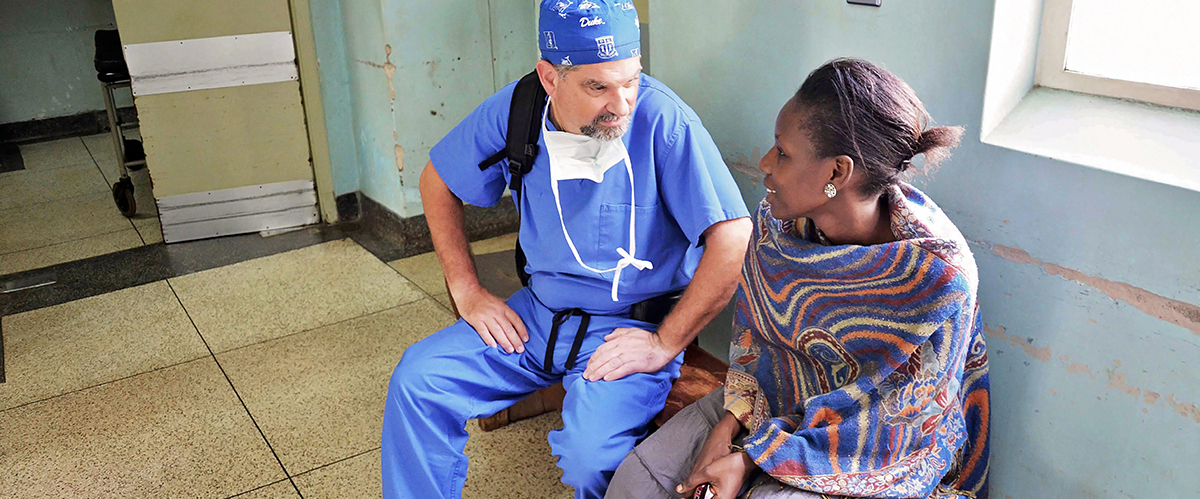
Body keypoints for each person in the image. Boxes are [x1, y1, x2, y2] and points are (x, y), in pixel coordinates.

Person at [379, 1, 753, 498]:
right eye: (597, 86)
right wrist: (467, 290)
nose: (620, 104)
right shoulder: (520, 109)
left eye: (630, 80)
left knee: (591, 457)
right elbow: (437, 179)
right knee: (418, 381)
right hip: (536, 316)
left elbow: (733, 237)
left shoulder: (662, 120)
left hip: (627, 327)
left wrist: (664, 343)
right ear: (551, 77)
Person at [605, 58, 992, 499]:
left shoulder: (936, 276)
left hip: (872, 447)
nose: (765, 162)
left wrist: (753, 457)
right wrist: (730, 424)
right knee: (638, 480)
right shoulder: (778, 224)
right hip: (770, 399)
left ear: (836, 173)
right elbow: (757, 349)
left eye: (783, 153)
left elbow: (891, 420)